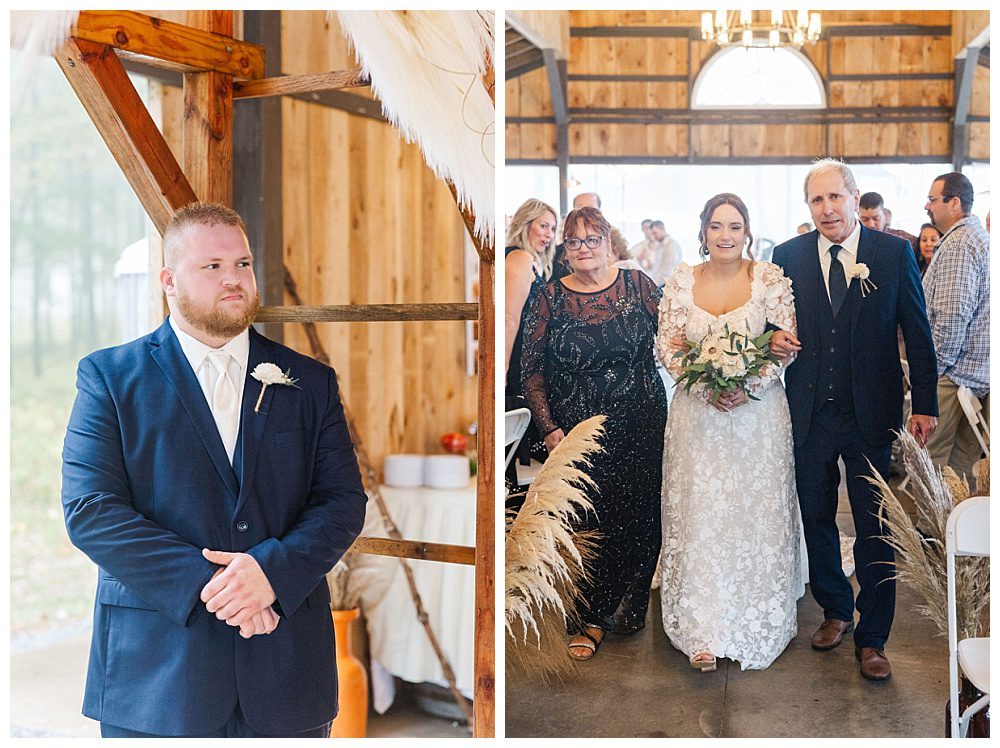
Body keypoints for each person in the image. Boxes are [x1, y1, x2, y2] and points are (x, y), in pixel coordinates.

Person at [61, 203, 367, 737]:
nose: (234, 279)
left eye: (243, 264)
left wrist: (270, 573)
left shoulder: (310, 382)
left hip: (286, 675)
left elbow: (342, 502)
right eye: (213, 267)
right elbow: (91, 511)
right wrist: (221, 588)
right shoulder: (109, 378)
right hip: (157, 676)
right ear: (168, 281)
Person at [770, 159, 938, 682]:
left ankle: (874, 637)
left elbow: (917, 326)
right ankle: (835, 608)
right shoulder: (788, 256)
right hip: (811, 412)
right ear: (809, 208)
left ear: (854, 197)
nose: (827, 209)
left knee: (875, 527)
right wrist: (772, 339)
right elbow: (772, 326)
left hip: (872, 413)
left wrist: (927, 403)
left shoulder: (892, 254)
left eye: (835, 198)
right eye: (816, 201)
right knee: (816, 518)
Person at [656, 193, 802, 672]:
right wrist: (704, 387)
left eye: (734, 227)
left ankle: (754, 618)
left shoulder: (769, 280)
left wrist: (748, 383)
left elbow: (786, 344)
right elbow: (669, 347)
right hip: (698, 418)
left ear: (747, 232)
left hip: (757, 418)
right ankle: (702, 628)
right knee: (701, 515)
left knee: (753, 514)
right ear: (702, 233)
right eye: (716, 226)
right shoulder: (681, 281)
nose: (725, 235)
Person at [521, 206, 667, 661]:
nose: (583, 249)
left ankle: (626, 608)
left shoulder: (639, 285)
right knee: (587, 519)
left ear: (610, 244)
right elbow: (531, 370)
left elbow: (680, 334)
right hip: (579, 430)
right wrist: (549, 430)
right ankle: (587, 617)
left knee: (641, 515)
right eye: (574, 242)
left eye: (592, 240)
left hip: (643, 420)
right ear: (565, 250)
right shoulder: (547, 298)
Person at [921, 172, 990, 489]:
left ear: (955, 203)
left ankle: (929, 533)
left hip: (953, 371)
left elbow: (952, 313)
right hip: (977, 370)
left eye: (933, 200)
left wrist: (934, 367)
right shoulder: (978, 238)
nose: (928, 206)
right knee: (963, 463)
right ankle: (955, 531)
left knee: (929, 457)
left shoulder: (959, 244)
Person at [504, 199, 557, 488]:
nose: (548, 235)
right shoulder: (519, 258)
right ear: (526, 224)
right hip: (516, 365)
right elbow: (509, 318)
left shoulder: (531, 260)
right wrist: (501, 375)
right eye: (543, 226)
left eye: (552, 228)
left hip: (526, 362)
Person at [551, 191, 602, 281]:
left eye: (590, 208)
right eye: (579, 208)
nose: (584, 213)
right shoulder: (558, 254)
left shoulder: (615, 247)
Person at [635, 220, 683, 286]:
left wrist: (655, 285)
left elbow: (667, 270)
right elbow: (657, 269)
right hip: (660, 283)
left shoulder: (672, 245)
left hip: (668, 285)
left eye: (655, 233)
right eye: (653, 234)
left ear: (662, 230)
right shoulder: (660, 246)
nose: (654, 236)